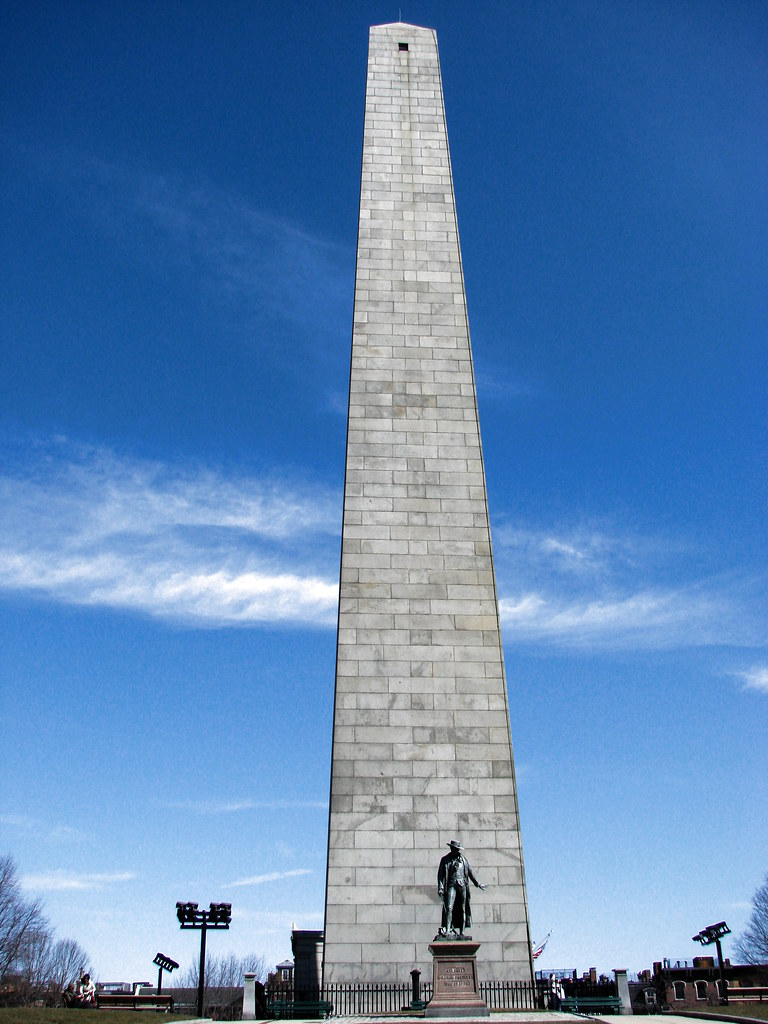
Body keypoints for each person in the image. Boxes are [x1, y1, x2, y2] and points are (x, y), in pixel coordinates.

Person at [437, 840, 485, 937]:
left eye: (455, 849)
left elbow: (470, 872)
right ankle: (448, 930)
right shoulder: (445, 859)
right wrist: (441, 887)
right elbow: (440, 875)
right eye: (452, 848)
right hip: (451, 885)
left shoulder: (463, 860)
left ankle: (462, 932)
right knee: (449, 907)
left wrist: (478, 883)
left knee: (463, 908)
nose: (454, 850)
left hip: (462, 885)